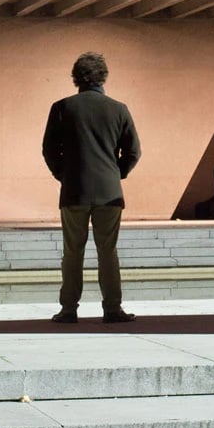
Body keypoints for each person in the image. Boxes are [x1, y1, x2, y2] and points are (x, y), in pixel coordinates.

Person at [41, 51, 141, 324]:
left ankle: (69, 308)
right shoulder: (118, 109)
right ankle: (112, 308)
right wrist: (115, 173)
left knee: (73, 251)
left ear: (76, 78)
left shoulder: (62, 107)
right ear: (103, 76)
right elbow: (133, 152)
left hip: (74, 191)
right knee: (107, 251)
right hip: (109, 193)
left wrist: (64, 175)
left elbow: (49, 150)